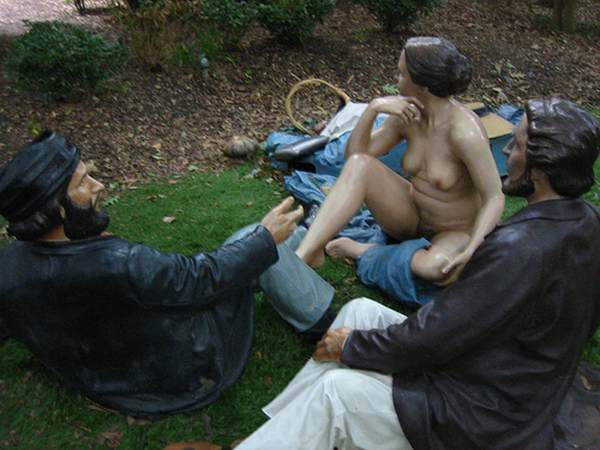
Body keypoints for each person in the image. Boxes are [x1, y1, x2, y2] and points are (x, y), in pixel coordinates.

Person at [236, 97, 600, 450]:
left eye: (517, 146)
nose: (505, 151)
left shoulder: (519, 248)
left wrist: (352, 346)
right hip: (500, 372)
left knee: (337, 394)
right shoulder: (587, 221)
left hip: (476, 415)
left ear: (542, 170)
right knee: (360, 311)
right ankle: (285, 427)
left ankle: (298, 427)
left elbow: (438, 336)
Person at [0, 130, 334, 418]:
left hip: (108, 383)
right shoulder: (122, 262)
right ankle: (327, 325)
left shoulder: (8, 268)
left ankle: (304, 238)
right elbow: (200, 279)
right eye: (83, 182)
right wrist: (263, 238)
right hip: (185, 372)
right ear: (58, 208)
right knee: (252, 239)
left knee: (263, 246)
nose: (99, 186)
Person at [296, 36, 505, 287]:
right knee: (361, 165)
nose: (396, 80)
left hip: (455, 231)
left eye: (401, 74)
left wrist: (473, 247)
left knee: (437, 269)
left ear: (423, 84)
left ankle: (364, 250)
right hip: (411, 218)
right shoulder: (407, 116)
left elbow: (495, 196)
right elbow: (353, 157)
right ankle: (306, 252)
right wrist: (373, 109)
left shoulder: (464, 132)